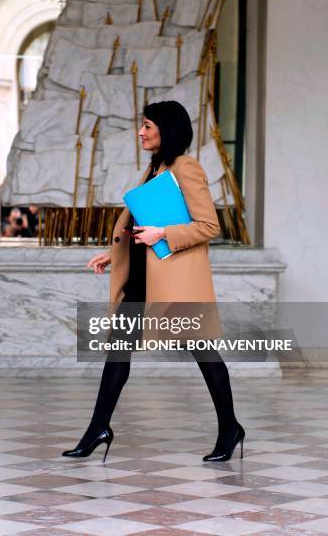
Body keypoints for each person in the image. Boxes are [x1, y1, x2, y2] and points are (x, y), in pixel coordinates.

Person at [62, 100, 245, 463]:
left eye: (147, 125)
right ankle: (98, 427)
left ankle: (230, 428)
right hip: (144, 279)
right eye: (141, 125)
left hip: (176, 281)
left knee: (204, 351)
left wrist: (163, 232)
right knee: (118, 351)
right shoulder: (157, 166)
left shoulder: (186, 168)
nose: (141, 132)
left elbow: (209, 226)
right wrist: (114, 254)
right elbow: (140, 225)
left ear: (167, 128)